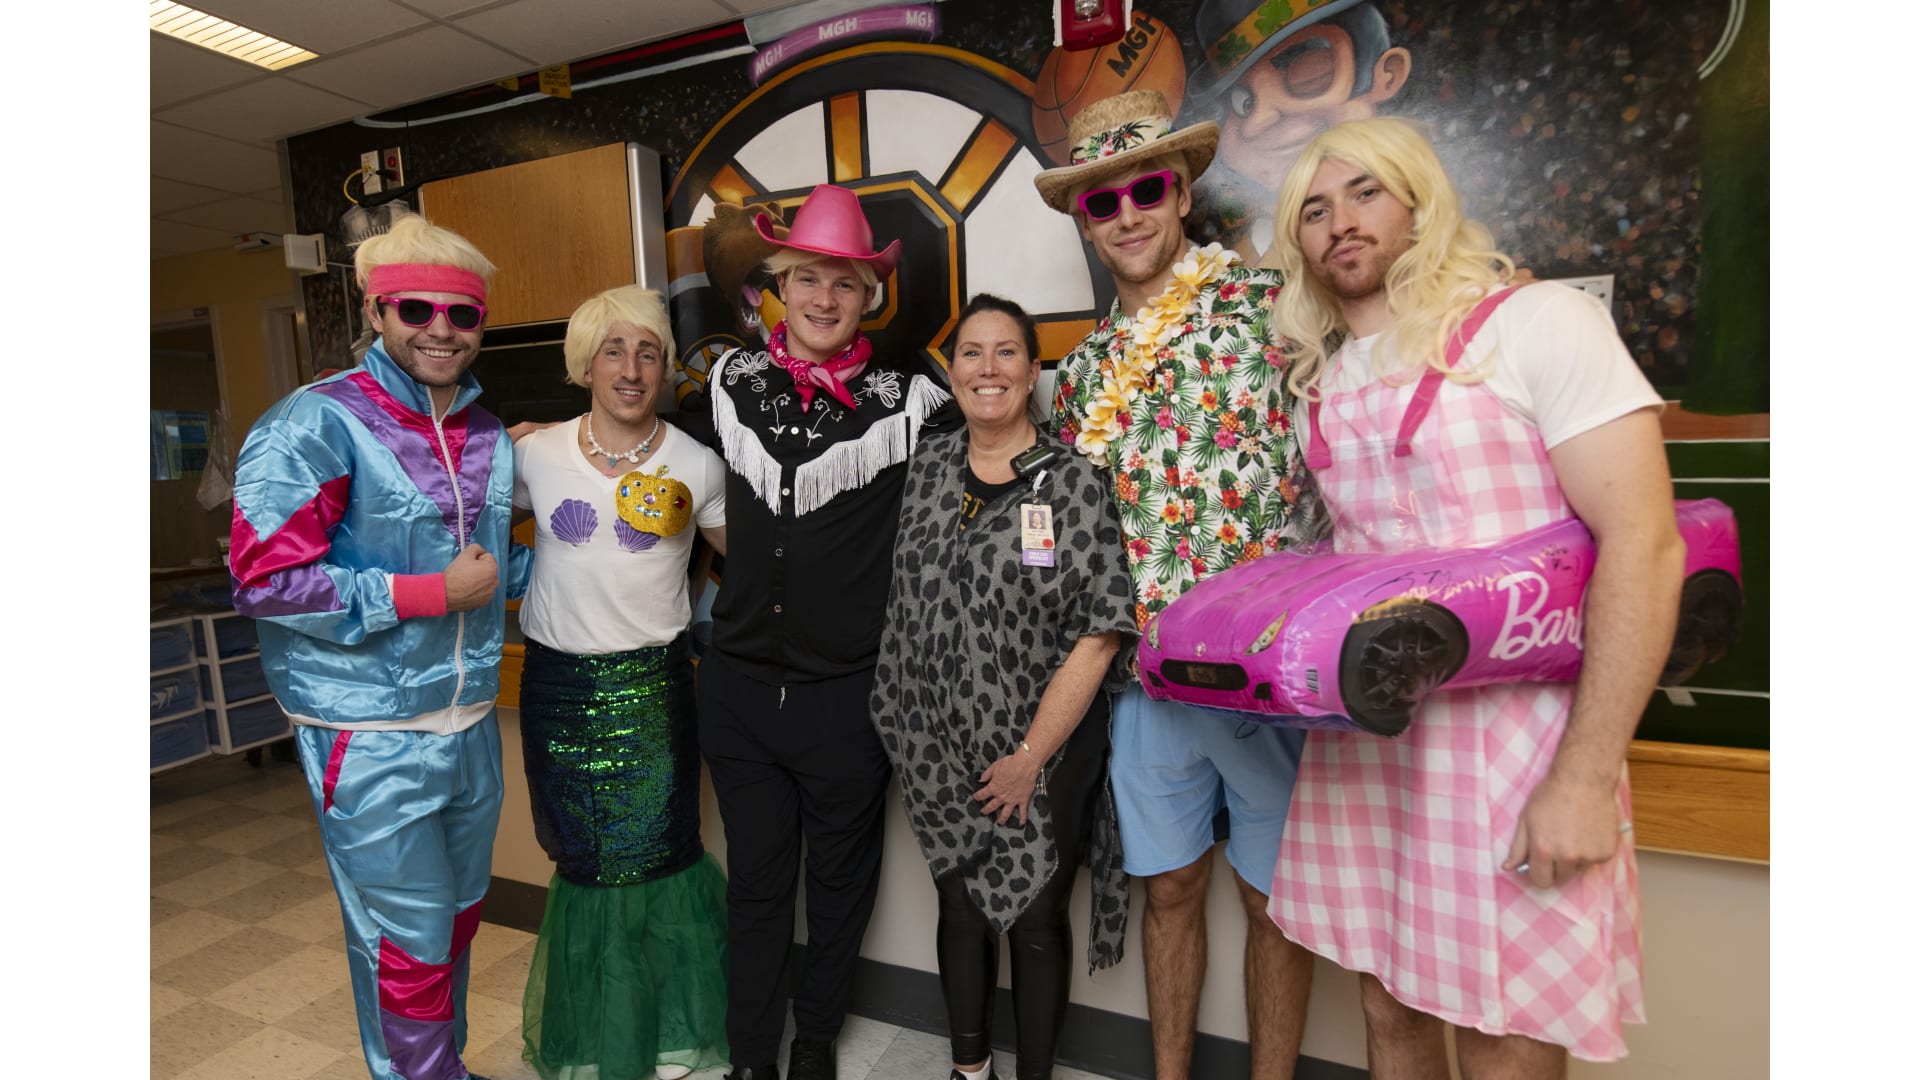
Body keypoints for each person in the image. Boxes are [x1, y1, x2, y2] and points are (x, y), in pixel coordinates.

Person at [1263, 116, 1682, 1075]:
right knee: (1387, 1006)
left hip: (1517, 751)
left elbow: (1645, 546)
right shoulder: (1320, 384)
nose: (1341, 224)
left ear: (1420, 203)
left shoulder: (1535, 323)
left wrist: (1584, 778)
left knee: (1505, 1031)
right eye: (1314, 212)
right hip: (1373, 746)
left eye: (1365, 193)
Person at [1033, 90, 1316, 1080]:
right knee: (1169, 890)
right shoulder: (1082, 374)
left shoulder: (1273, 307)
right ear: (1085, 222)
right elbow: (1067, 536)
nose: (1128, 215)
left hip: (1266, 676)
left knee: (1274, 900)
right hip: (1146, 680)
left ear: (1184, 191)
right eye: (1101, 201)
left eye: (1147, 189)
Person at [229, 213, 532, 1080]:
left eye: (462, 313)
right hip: (366, 733)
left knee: (456, 923)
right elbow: (265, 580)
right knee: (405, 939)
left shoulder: (485, 435)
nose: (441, 328)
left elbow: (488, 570)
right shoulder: (314, 424)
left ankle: (444, 1068)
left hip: (467, 722)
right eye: (415, 308)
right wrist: (431, 593)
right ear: (376, 311)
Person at [695, 184, 953, 1080]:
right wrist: (555, 434)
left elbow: (987, 469)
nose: (824, 297)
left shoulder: (910, 399)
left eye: (845, 283)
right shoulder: (730, 382)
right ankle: (751, 1057)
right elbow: (647, 445)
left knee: (841, 889)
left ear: (868, 296)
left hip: (846, 695)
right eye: (808, 277)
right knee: (758, 885)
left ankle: (813, 1048)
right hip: (737, 690)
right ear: (780, 285)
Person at [870, 296, 1136, 1080]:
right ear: (952, 371)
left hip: (1044, 742)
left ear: (1032, 369)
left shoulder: (1074, 481)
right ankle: (969, 1070)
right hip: (937, 741)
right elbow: (902, 606)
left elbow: (1100, 633)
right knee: (959, 904)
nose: (988, 369)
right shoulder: (924, 471)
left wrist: (1028, 757)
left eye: (1007, 352)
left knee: (1036, 916)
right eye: (971, 353)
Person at [510, 285, 731, 1080]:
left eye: (647, 353)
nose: (632, 370)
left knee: (661, 856)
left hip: (653, 692)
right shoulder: (533, 455)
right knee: (583, 861)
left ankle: (669, 1039)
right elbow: (454, 517)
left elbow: (753, 567)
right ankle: (590, 1046)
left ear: (664, 368)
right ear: (586, 365)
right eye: (614, 351)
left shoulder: (697, 463)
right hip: (558, 692)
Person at [1183, 0, 1411, 260]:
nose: (1258, 121)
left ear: (1388, 74)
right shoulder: (1250, 251)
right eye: (1243, 103)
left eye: (1307, 76)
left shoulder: (1417, 211)